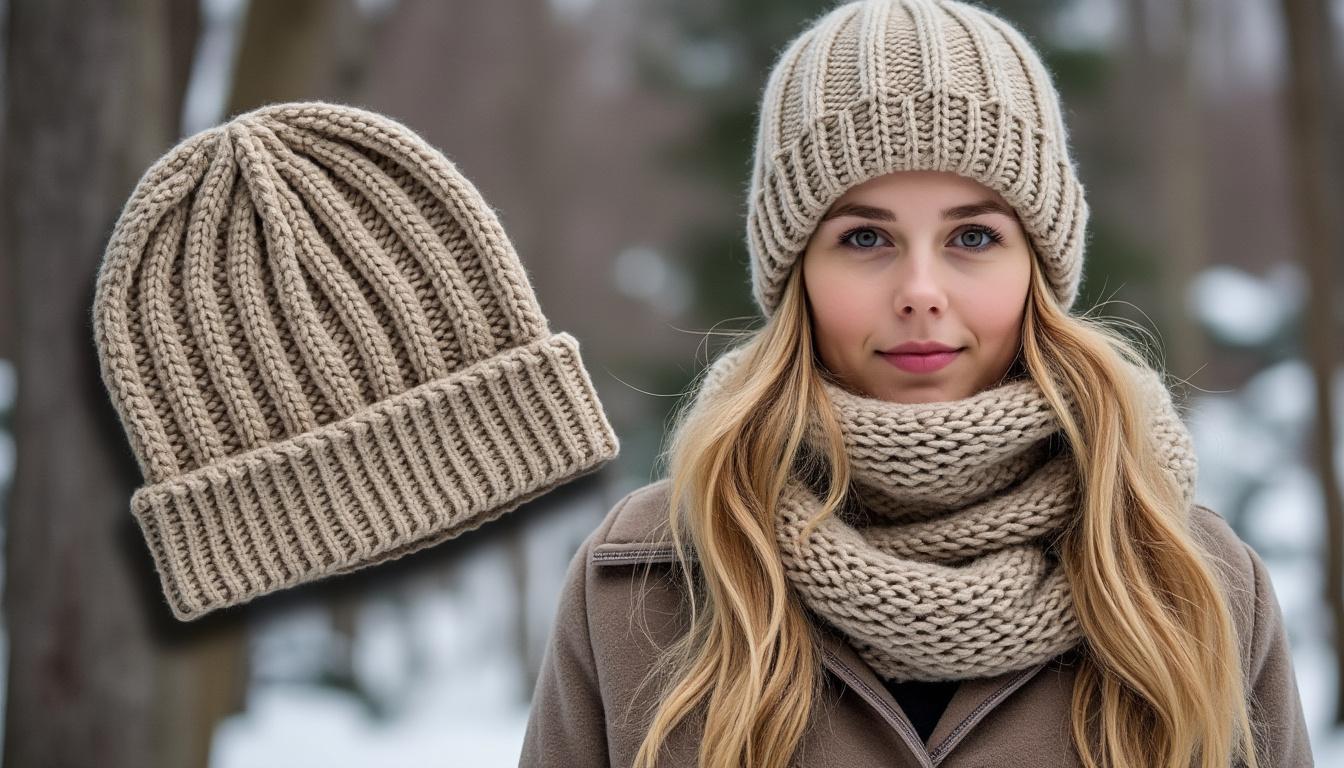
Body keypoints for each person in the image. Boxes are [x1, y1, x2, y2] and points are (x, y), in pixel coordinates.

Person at [519, 1, 1313, 767]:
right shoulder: (642, 582)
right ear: (797, 274)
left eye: (973, 235)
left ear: (1037, 266)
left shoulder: (1192, 582)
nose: (921, 290)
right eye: (865, 236)